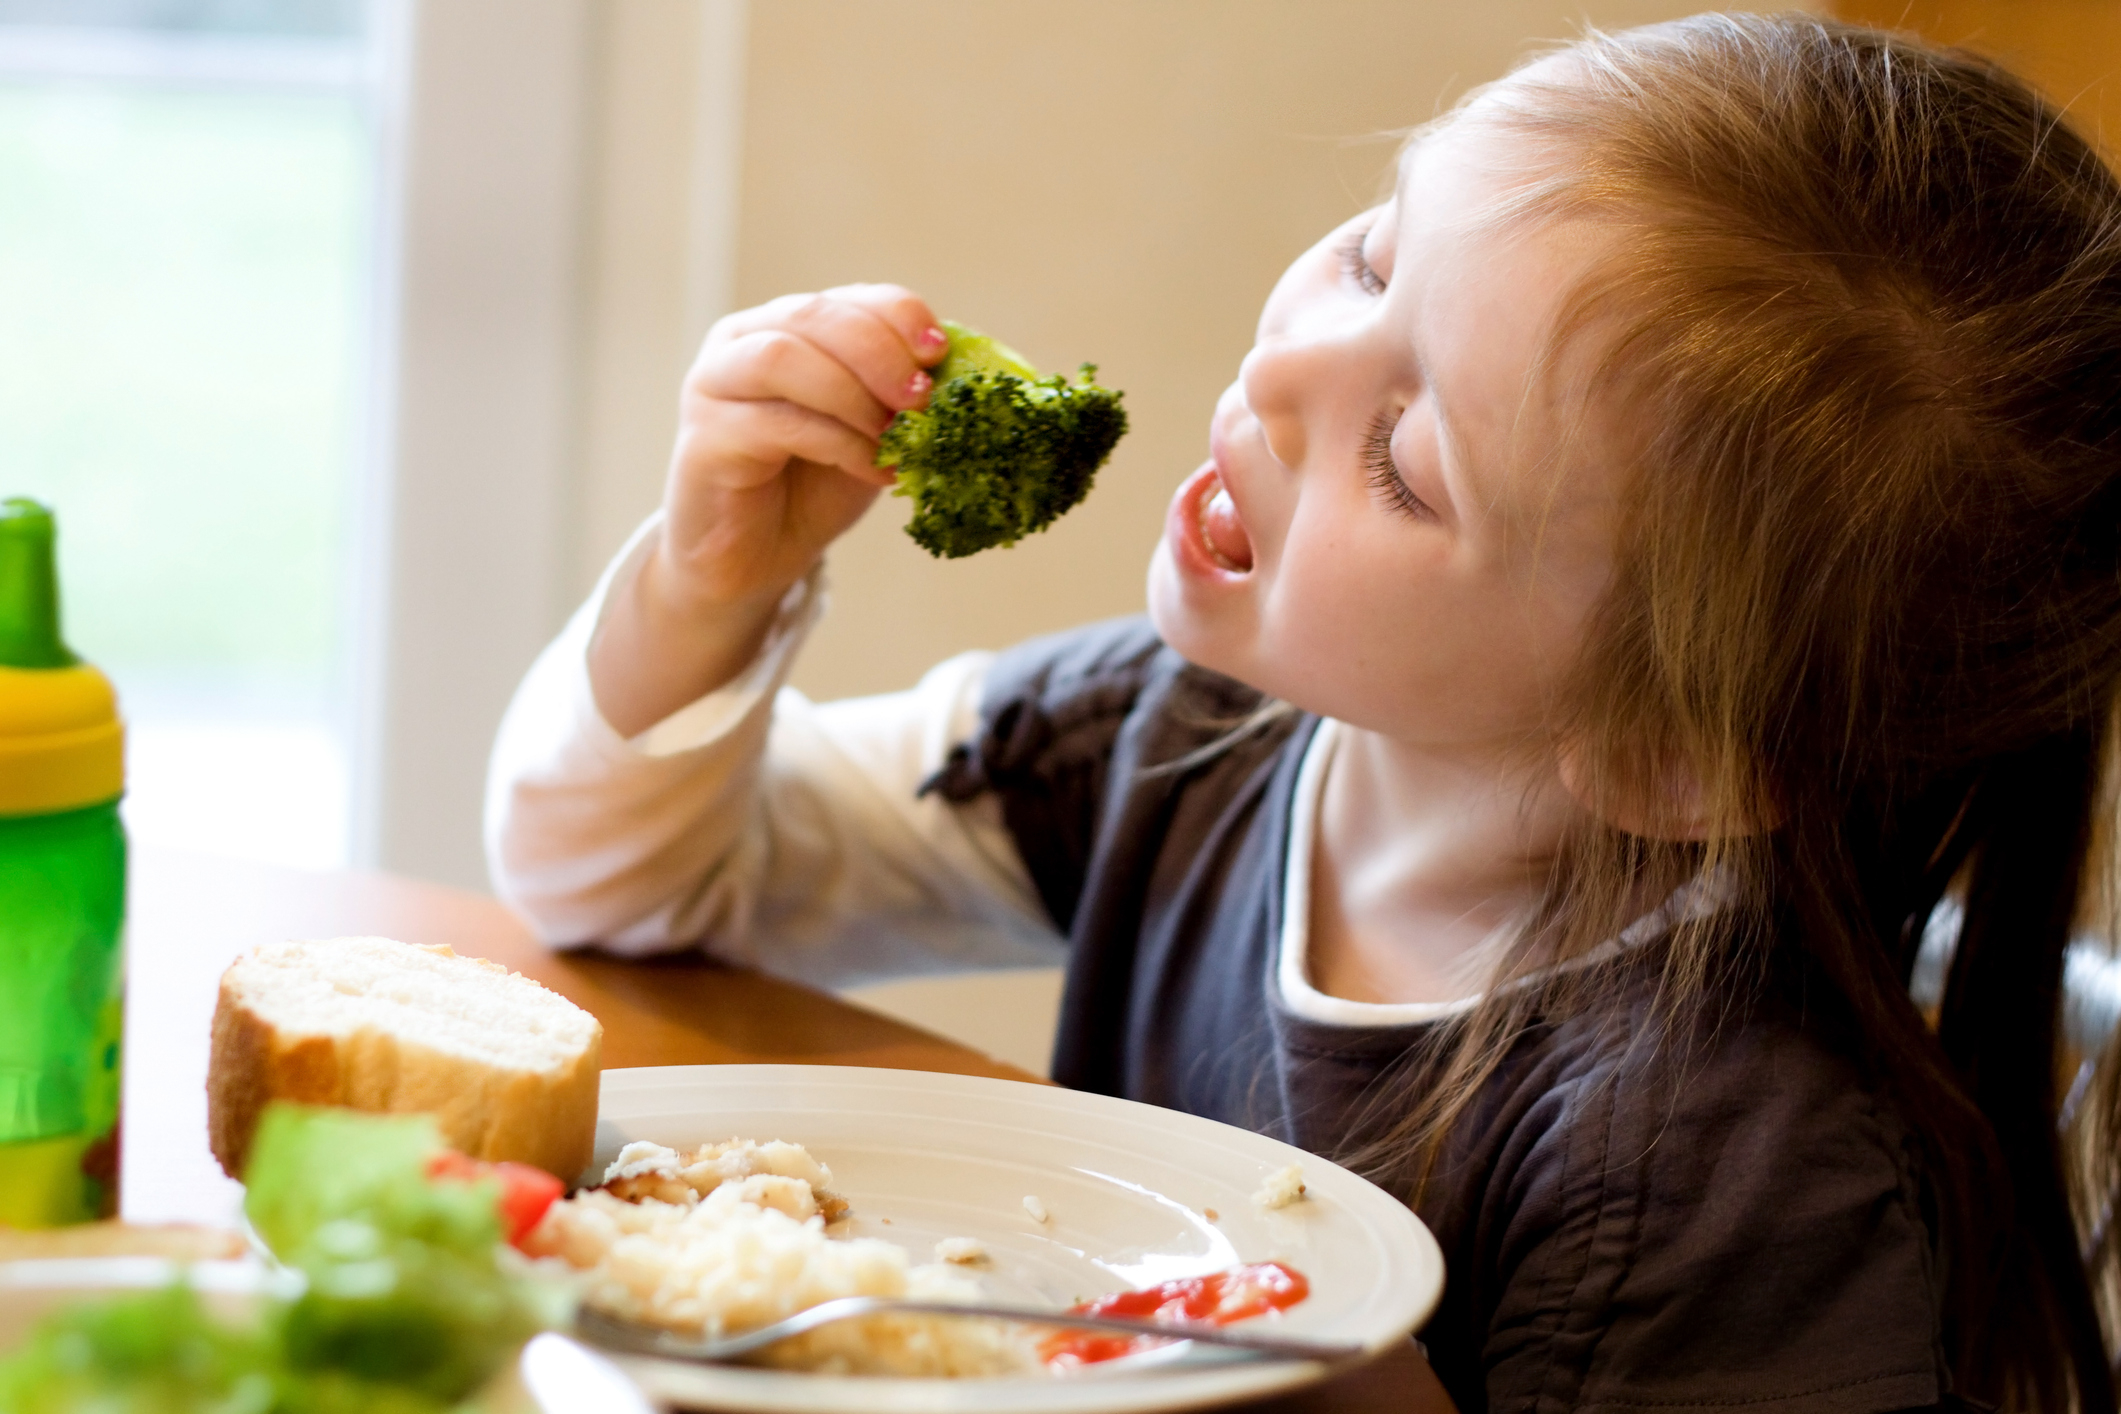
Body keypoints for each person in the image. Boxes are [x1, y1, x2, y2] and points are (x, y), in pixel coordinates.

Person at [486, 14, 2121, 1410]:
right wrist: (705, 591)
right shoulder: (1181, 734)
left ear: (1664, 752)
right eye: (1369, 256)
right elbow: (634, 888)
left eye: (1407, 463)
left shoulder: (1722, 1182)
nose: (1277, 376)